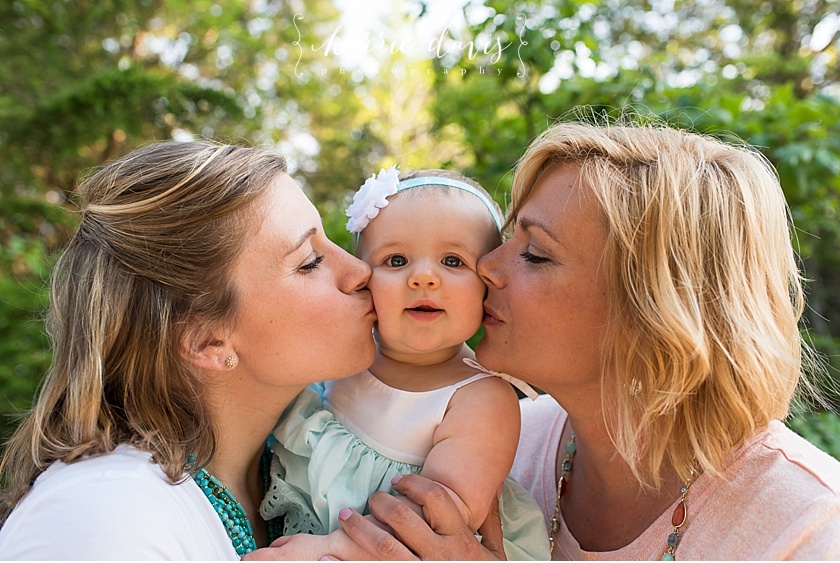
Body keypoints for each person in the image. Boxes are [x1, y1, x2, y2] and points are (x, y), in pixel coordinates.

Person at [329, 118, 840, 560]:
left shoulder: (810, 525)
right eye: (509, 238)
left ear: (652, 310)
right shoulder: (497, 441)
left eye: (534, 253)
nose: (486, 266)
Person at [0, 140, 377, 559]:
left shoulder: (311, 464)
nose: (360, 271)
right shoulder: (103, 519)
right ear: (207, 340)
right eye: (309, 261)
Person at [253, 167, 550, 560]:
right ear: (362, 276)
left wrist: (331, 548)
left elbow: (438, 516)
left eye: (452, 260)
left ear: (488, 283)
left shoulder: (481, 398)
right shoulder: (345, 355)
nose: (424, 277)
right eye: (396, 260)